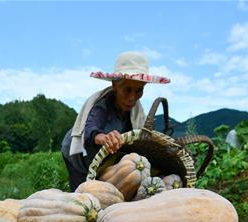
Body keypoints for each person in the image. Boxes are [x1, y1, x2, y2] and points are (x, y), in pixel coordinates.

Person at [61, 51, 170, 191]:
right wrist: (103, 137)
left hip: (104, 157)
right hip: (77, 153)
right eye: (127, 89)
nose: (132, 98)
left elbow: (141, 139)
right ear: (115, 85)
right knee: (82, 191)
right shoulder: (103, 104)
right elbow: (90, 128)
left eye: (139, 90)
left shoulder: (137, 113)